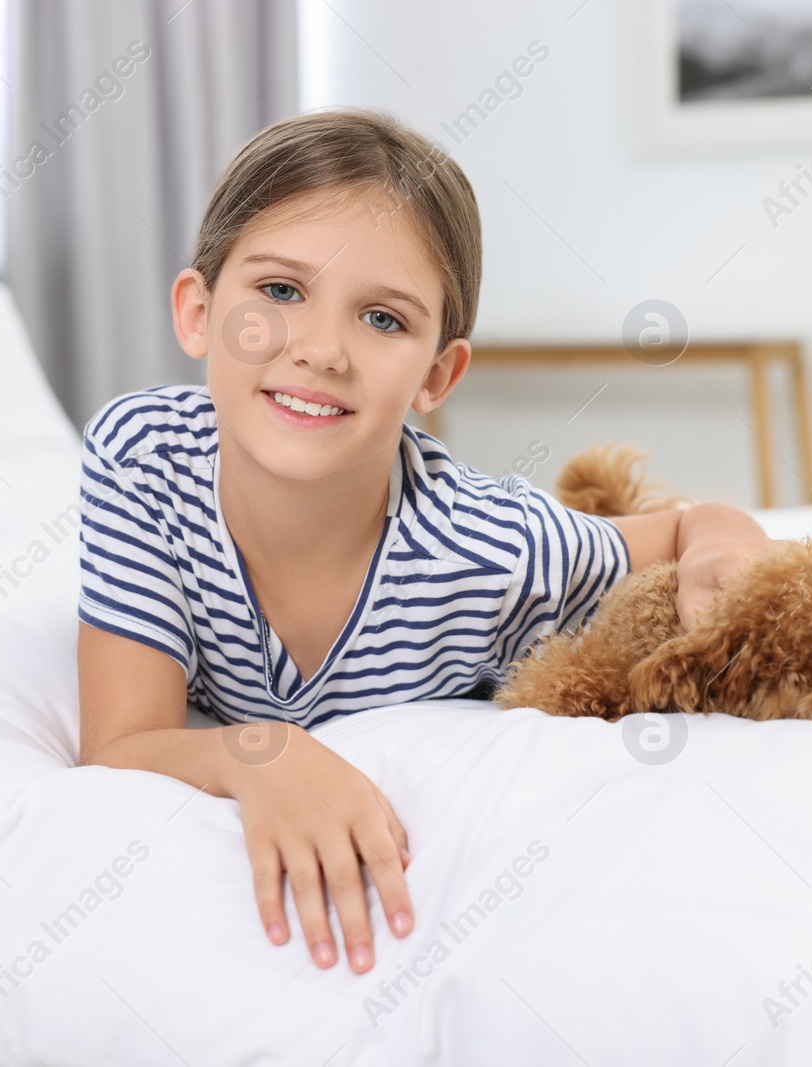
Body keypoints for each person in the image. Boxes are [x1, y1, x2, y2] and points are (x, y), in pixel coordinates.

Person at [75, 107, 771, 977]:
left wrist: (721, 552)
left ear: (437, 375)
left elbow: (685, 525)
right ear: (197, 311)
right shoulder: (143, 457)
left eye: (382, 319)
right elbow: (118, 744)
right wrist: (268, 750)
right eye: (281, 292)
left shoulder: (491, 546)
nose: (321, 349)